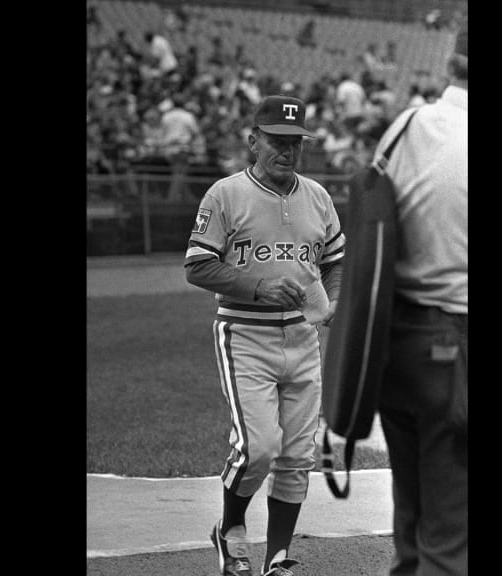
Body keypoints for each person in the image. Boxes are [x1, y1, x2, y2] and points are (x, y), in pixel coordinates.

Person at [185, 95, 345, 576]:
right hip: (244, 336)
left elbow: (334, 260)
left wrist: (332, 302)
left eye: (295, 143)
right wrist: (258, 285)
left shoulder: (318, 196)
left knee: (298, 456)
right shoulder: (225, 194)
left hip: (302, 340)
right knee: (259, 449)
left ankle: (277, 558)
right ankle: (231, 528)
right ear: (254, 140)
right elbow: (197, 265)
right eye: (277, 140)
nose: (287, 151)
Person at [339, 19, 468, 576]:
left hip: (395, 344)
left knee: (412, 526)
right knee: (452, 535)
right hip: (455, 344)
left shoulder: (407, 124)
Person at [160, 95, 203, 202]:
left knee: (179, 174)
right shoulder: (187, 116)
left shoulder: (166, 116)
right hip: (182, 148)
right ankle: (171, 201)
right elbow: (196, 132)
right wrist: (189, 142)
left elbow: (163, 133)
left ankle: (188, 198)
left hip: (168, 149)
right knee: (179, 175)